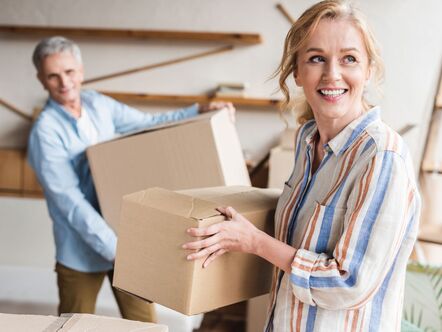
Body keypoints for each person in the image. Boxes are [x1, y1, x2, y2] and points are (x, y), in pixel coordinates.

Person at [183, 1, 421, 331]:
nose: (332, 74)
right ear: (297, 71)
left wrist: (254, 242)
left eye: (349, 59)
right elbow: (299, 239)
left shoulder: (381, 157)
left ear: (368, 70)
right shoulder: (308, 141)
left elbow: (348, 282)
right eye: (316, 58)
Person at [28, 36, 234, 322]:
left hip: (125, 236)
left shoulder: (98, 104)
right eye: (53, 75)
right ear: (41, 79)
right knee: (73, 326)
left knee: (144, 324)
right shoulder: (45, 132)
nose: (64, 82)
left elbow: (146, 124)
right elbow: (70, 203)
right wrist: (116, 249)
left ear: (81, 70)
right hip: (81, 251)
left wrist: (198, 110)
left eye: (69, 72)